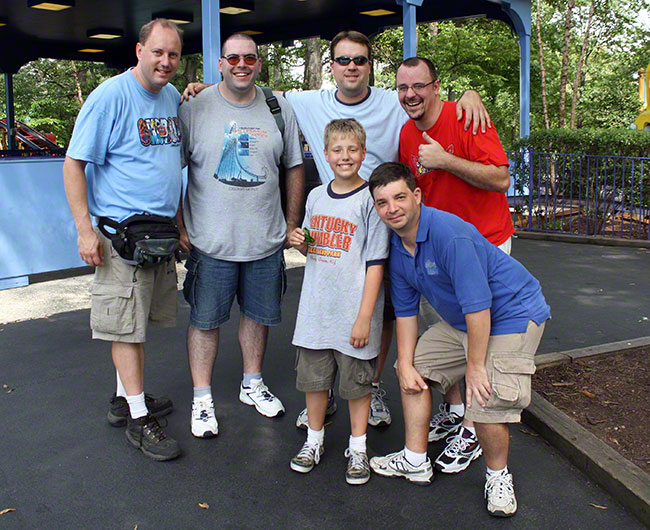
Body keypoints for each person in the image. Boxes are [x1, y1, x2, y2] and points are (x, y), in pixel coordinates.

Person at [182, 30, 491, 431]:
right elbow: (249, 85)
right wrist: (211, 85)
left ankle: (373, 385)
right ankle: (321, 389)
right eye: (343, 61)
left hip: (385, 221)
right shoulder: (308, 101)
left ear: (369, 66)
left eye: (359, 60)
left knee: (380, 310)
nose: (351, 67)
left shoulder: (392, 102)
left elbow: (425, 100)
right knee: (328, 302)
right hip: (331, 224)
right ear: (331, 67)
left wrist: (467, 93)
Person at [367, 162, 550, 517]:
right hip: (465, 321)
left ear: (417, 196)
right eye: (383, 202)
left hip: (512, 314)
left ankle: (498, 476)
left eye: (400, 197)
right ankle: (415, 459)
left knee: (483, 398)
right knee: (414, 370)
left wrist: (475, 366)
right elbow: (405, 312)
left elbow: (479, 308)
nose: (392, 209)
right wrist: (404, 364)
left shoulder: (450, 235)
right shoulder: (398, 247)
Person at [62, 19, 184, 461]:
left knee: (136, 324)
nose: (165, 62)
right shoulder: (111, 96)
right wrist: (84, 229)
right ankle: (137, 418)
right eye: (158, 52)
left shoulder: (171, 96)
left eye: (173, 54)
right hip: (120, 238)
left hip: (158, 238)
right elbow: (74, 164)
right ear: (139, 50)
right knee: (124, 328)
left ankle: (123, 399)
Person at [176, 33, 304, 438]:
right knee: (205, 320)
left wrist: (291, 221)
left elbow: (294, 166)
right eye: (233, 57)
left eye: (250, 57)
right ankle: (201, 398)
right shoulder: (194, 107)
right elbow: (169, 170)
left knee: (258, 316)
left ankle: (253, 383)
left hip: (264, 240)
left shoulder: (278, 106)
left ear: (259, 63)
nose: (241, 64)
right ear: (220, 63)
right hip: (210, 241)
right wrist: (178, 226)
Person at [397, 56, 514, 474]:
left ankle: (473, 430)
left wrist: (446, 159)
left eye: (419, 86)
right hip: (441, 253)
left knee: (480, 340)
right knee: (452, 334)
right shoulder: (407, 134)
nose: (411, 95)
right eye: (403, 88)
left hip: (486, 247)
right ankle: (457, 410)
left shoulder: (466, 117)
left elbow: (500, 178)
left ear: (436, 86)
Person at [288, 119, 390, 485]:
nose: (344, 156)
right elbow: (315, 245)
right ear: (323, 153)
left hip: (353, 313)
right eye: (337, 150)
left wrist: (364, 317)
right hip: (316, 310)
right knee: (314, 382)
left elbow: (376, 262)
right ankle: (314, 440)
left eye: (352, 150)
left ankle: (358, 447)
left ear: (363, 153)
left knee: (357, 385)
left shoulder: (370, 200)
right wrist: (302, 242)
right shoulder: (316, 196)